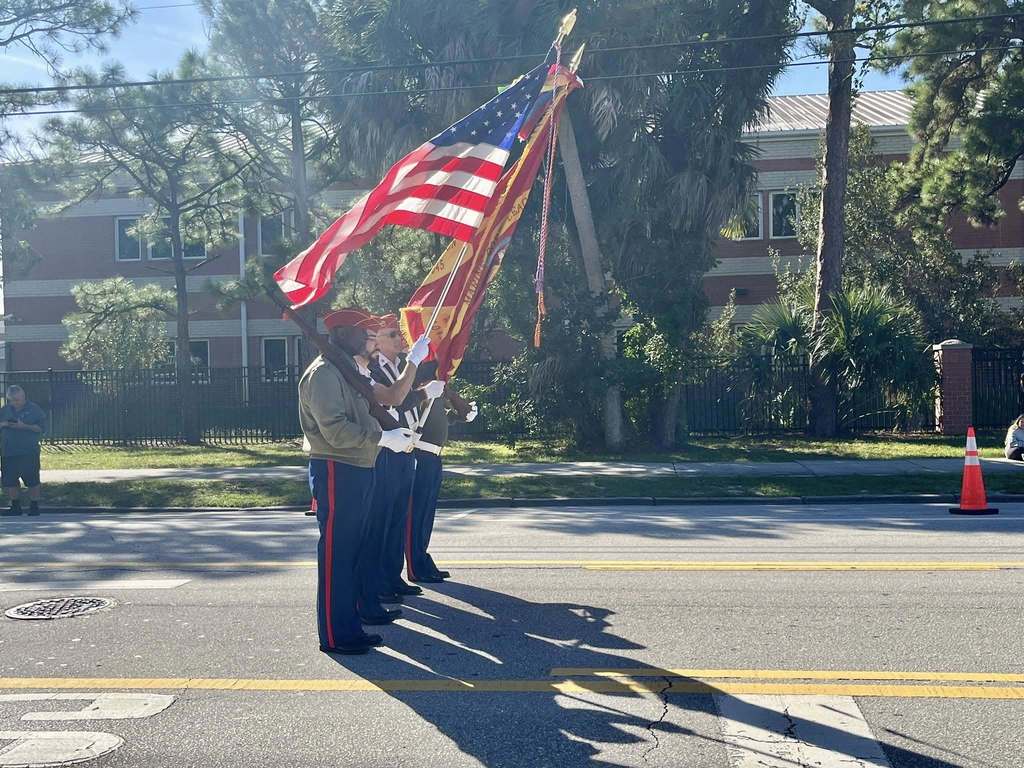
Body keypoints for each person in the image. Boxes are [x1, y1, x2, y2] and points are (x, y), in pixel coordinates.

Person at [298, 308, 426, 655]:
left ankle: (350, 625)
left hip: (359, 465)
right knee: (338, 554)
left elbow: (377, 406)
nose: (369, 339)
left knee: (353, 552)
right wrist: (382, 438)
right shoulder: (324, 374)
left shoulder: (346, 371)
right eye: (362, 332)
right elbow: (336, 431)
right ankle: (335, 634)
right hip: (337, 468)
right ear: (342, 334)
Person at [405, 363, 478, 584]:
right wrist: (437, 390)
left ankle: (422, 559)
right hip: (420, 457)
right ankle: (416, 567)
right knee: (416, 515)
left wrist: (451, 394)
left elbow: (464, 414)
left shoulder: (437, 394)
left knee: (426, 516)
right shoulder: (422, 393)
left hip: (434, 458)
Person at [0, 385, 47, 517]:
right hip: (8, 451)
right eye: (13, 400)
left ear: (23, 396)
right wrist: (4, 424)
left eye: (18, 399)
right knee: (10, 480)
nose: (16, 402)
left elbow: (41, 429)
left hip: (28, 451)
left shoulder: (34, 410)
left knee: (32, 480)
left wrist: (24, 426)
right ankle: (15, 507)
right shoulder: (4, 410)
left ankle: (34, 506)